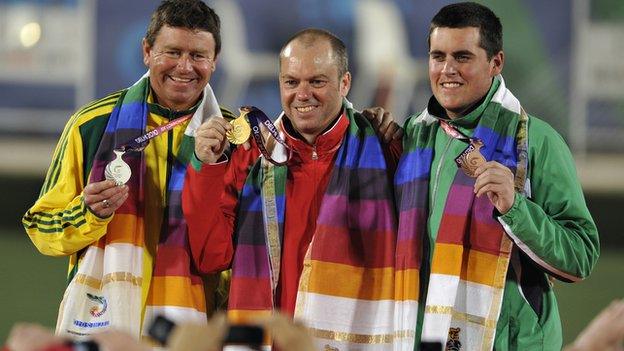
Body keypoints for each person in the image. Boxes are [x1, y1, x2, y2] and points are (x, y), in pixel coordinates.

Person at [182, 28, 407, 349]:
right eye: (291, 82)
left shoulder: (386, 150)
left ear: (345, 83)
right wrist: (207, 169)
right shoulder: (250, 153)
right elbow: (210, 257)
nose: (302, 94)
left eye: (317, 81)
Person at [394, 2, 600, 350]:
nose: (447, 70)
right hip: (427, 338)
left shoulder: (536, 141)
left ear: (496, 63)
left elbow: (580, 256)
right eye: (437, 56)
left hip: (511, 342)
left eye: (462, 57)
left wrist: (515, 208)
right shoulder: (416, 133)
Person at [22, 0, 231, 339]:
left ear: (215, 61)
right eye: (172, 52)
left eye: (198, 56)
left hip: (192, 331)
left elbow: (241, 252)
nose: (184, 66)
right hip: (105, 326)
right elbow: (41, 228)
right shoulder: (91, 125)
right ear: (147, 50)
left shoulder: (234, 137)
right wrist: (87, 211)